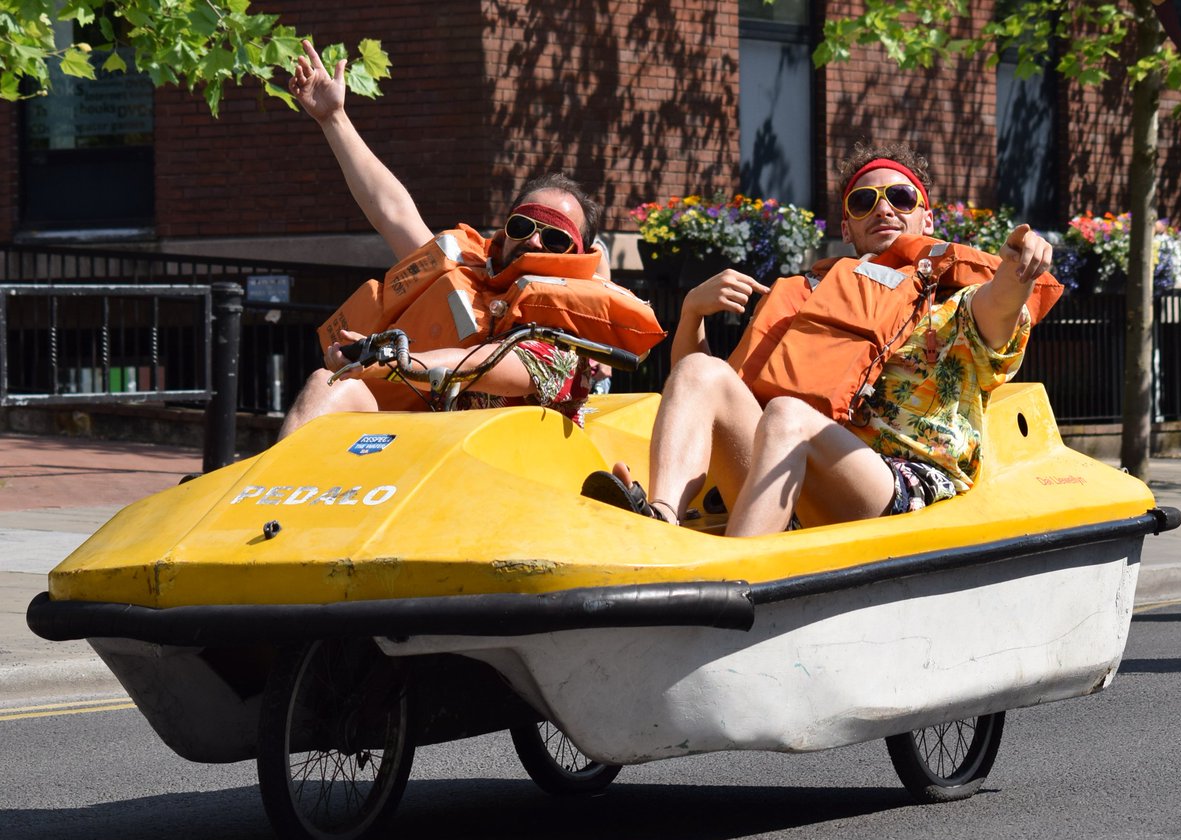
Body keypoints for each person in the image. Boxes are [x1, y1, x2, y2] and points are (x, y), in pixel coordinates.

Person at [590, 142, 1055, 536]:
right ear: (846, 227)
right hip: (788, 480)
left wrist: (1018, 271)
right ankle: (660, 525)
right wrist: (692, 311)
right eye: (864, 201)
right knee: (700, 371)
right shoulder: (810, 298)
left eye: (900, 197)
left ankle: (734, 577)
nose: (883, 209)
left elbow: (999, 306)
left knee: (788, 415)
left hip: (899, 490)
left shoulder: (959, 302)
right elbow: (704, 400)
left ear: (927, 219)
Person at [278, 40, 627, 439]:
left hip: (511, 466)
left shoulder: (565, 342)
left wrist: (392, 359)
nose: (533, 242)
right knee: (329, 383)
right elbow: (394, 213)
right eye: (523, 227)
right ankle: (271, 480)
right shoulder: (467, 278)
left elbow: (483, 363)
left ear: (577, 256)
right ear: (505, 234)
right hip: (429, 452)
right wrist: (333, 118)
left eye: (556, 239)